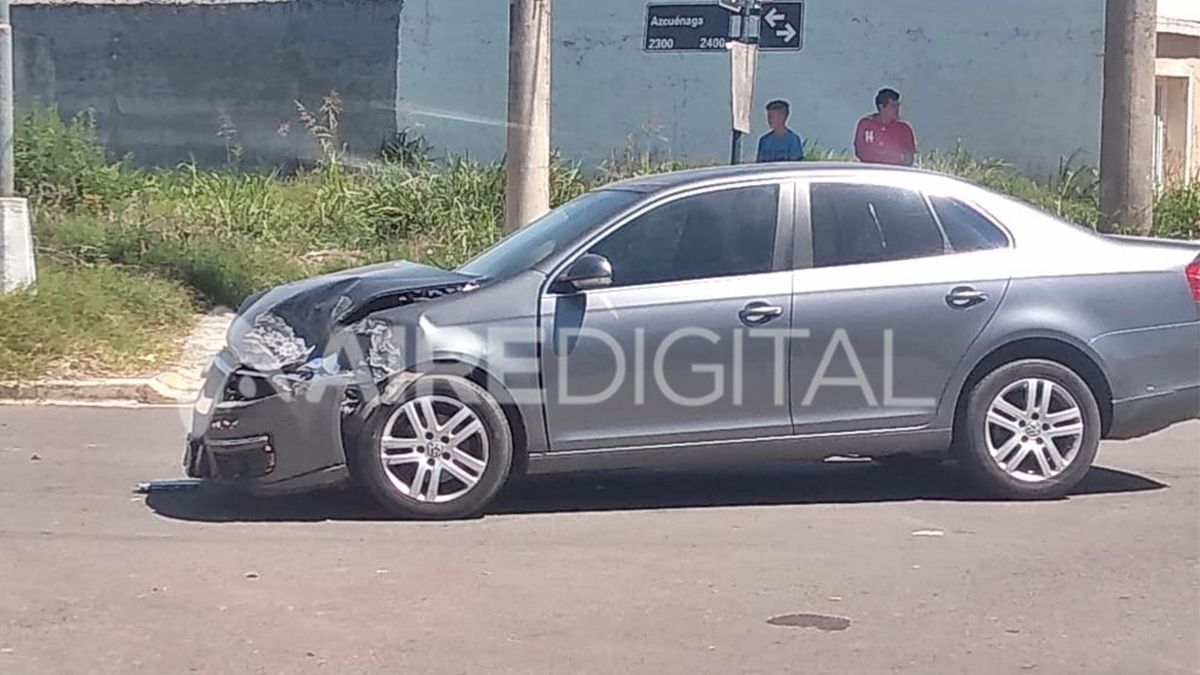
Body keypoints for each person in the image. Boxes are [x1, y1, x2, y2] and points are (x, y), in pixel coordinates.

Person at [854, 88, 917, 166]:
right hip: (869, 170)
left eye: (898, 106)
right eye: (893, 106)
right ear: (882, 107)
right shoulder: (865, 124)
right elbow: (859, 150)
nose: (897, 109)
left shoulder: (903, 128)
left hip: (894, 172)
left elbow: (909, 157)